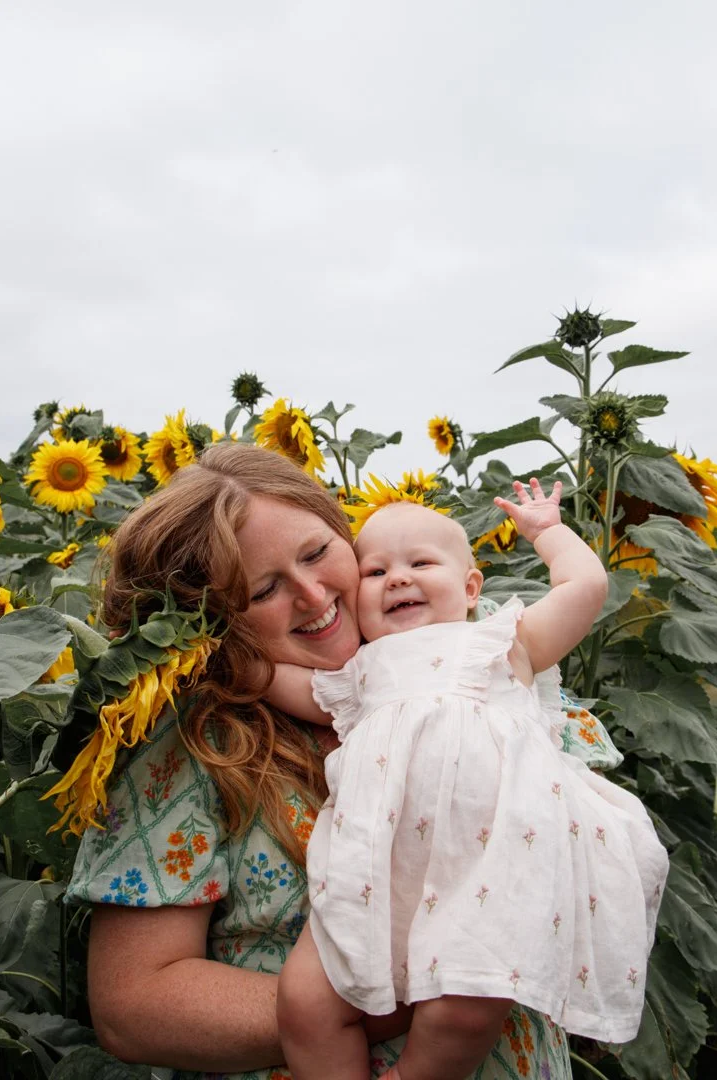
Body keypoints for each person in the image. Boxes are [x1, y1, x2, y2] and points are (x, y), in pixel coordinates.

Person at [58, 442, 617, 1080]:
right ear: (212, 623)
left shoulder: (480, 650)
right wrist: (427, 986)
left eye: (319, 552)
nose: (312, 593)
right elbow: (136, 1005)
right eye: (262, 589)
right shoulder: (191, 742)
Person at [268, 482, 669, 1080]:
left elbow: (585, 588)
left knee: (464, 1007)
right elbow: (281, 682)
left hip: (493, 859)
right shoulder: (361, 675)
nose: (397, 578)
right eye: (375, 572)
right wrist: (207, 651)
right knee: (302, 1003)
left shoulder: (505, 643)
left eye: (420, 563)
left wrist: (546, 532)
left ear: (472, 587)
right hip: (379, 863)